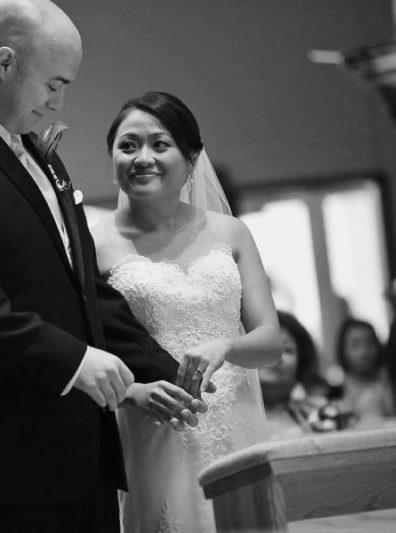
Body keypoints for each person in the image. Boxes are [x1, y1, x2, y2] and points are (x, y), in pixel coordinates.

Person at [0, 2, 206, 532]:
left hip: (81, 454)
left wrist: (164, 370)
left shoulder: (33, 148)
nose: (58, 103)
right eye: (53, 84)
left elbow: (82, 285)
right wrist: (73, 360)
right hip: (8, 465)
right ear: (5, 62)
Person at [91, 91, 281, 532]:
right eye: (128, 145)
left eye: (160, 144)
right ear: (113, 160)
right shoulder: (93, 244)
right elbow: (89, 350)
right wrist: (131, 392)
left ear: (192, 159)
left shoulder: (231, 233)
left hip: (237, 424)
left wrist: (226, 345)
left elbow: (271, 342)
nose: (143, 158)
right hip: (154, 426)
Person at [261, 311, 333, 439]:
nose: (276, 357)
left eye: (287, 350)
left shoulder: (318, 412)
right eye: (266, 347)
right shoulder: (228, 417)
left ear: (301, 362)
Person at [334, 317, 389, 424]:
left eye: (369, 343)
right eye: (355, 345)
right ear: (342, 349)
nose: (364, 351)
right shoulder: (334, 396)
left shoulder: (391, 389)